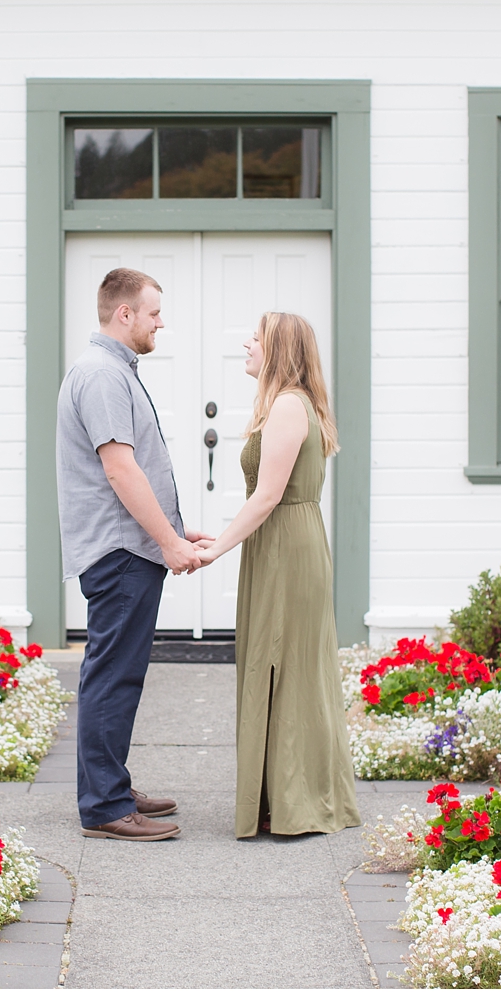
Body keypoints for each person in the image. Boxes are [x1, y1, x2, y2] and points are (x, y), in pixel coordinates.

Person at [56, 267, 213, 841]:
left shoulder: (111, 370)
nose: (160, 322)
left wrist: (176, 528)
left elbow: (133, 466)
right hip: (121, 552)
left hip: (130, 547)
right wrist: (167, 543)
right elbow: (120, 468)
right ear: (124, 314)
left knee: (120, 673)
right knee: (113, 676)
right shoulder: (101, 375)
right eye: (153, 313)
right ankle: (104, 806)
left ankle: (112, 784)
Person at [194, 312, 362, 838]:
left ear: (279, 350)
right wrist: (218, 537)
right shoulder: (285, 404)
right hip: (280, 543)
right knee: (279, 662)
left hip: (288, 546)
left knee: (287, 666)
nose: (246, 342)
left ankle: (298, 802)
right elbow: (265, 497)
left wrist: (217, 548)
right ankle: (283, 798)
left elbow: (268, 497)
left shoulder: (289, 405)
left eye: (256, 337)